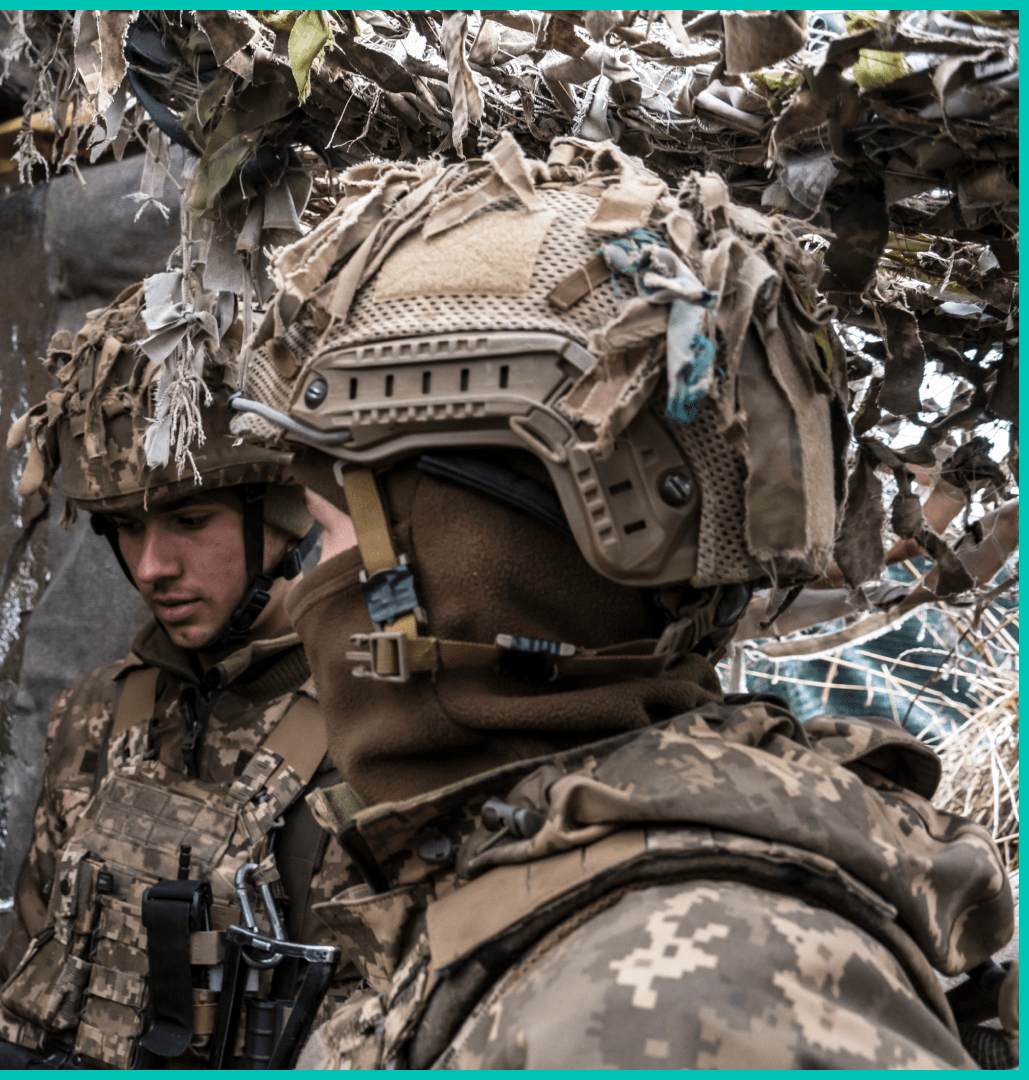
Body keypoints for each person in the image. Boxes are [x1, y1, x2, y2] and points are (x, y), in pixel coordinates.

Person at [213, 134, 1017, 1068]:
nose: (313, 580)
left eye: (336, 530)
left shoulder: (685, 996)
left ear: (481, 557)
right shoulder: (537, 873)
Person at [0, 281, 364, 1069]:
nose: (152, 567)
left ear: (283, 514)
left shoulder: (375, 723)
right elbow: (25, 983)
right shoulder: (97, 715)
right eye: (125, 528)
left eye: (187, 521)